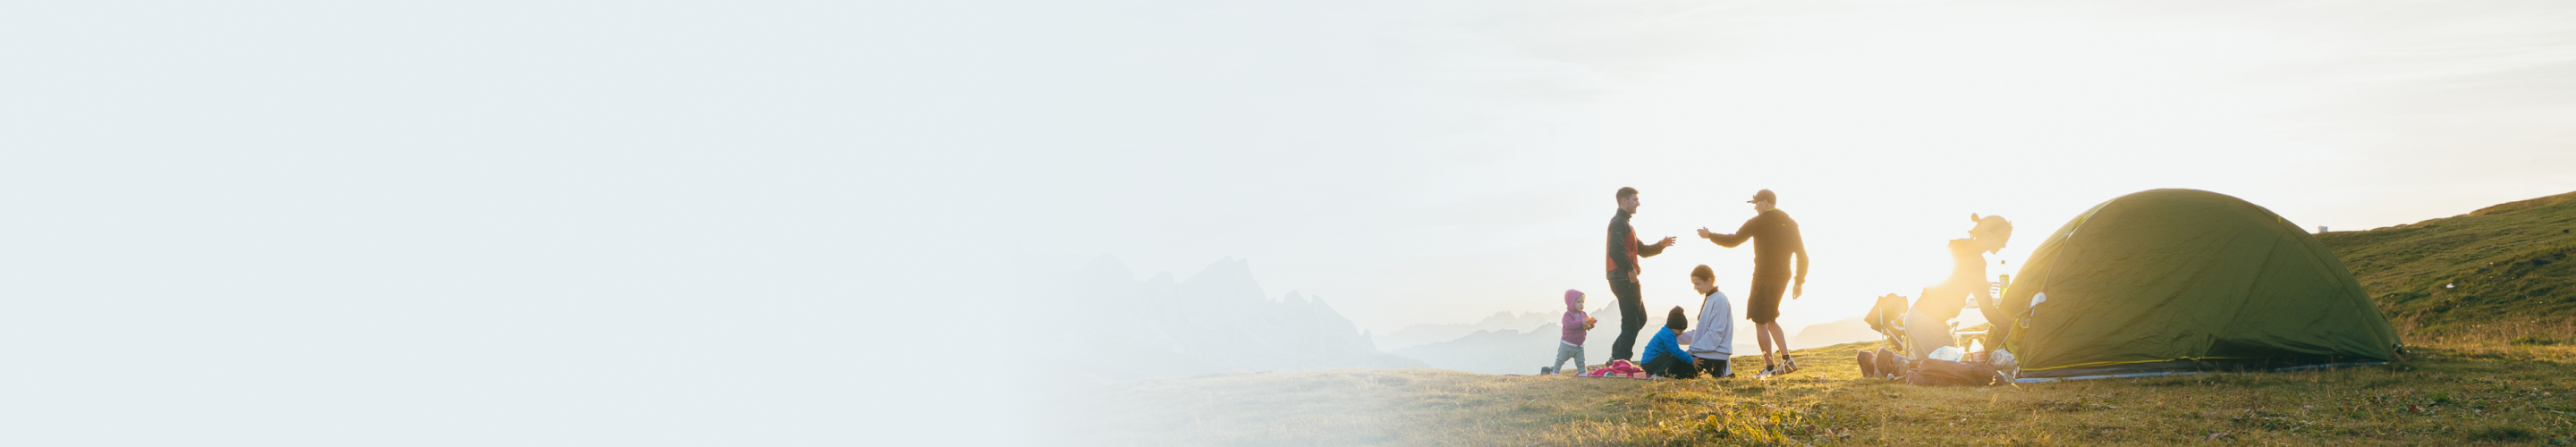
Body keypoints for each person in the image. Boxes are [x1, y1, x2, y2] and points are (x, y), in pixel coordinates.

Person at [1697, 189, 1809, 376]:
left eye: (1756, 203)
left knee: (1760, 322)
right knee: (1771, 318)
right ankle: (1787, 360)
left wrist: (1710, 235)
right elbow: (1803, 256)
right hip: (1783, 277)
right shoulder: (1790, 223)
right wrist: (1799, 281)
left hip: (1763, 277)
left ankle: (1770, 368)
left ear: (1765, 203)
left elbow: (1733, 241)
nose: (1755, 208)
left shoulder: (1758, 222)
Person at [1903, 214, 2012, 357]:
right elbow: (1987, 308)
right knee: (1953, 375)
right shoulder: (1976, 260)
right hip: (1929, 323)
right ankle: (1885, 362)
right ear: (1988, 234)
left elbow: (1953, 279)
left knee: (1929, 373)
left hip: (1914, 316)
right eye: (2003, 240)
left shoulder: (1961, 246)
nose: (2004, 246)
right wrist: (2011, 328)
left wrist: (1980, 284)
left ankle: (1887, 363)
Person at [1606, 187, 1678, 362]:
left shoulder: (1626, 225)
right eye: (1635, 200)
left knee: (1640, 319)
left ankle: (1616, 357)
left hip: (1625, 277)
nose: (1638, 203)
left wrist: (1661, 245)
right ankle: (1621, 361)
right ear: (1624, 201)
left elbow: (1642, 250)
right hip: (1624, 278)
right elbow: (1614, 250)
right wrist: (1630, 268)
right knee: (1631, 322)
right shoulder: (1618, 223)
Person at [1681, 266, 1735, 378]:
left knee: (1672, 369)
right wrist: (1675, 337)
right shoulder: (1711, 298)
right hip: (1707, 354)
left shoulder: (1719, 300)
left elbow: (1715, 334)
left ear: (1709, 281)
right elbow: (1702, 332)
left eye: (1698, 284)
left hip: (1714, 357)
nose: (1695, 288)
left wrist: (1690, 352)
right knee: (1670, 364)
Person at [1545, 289, 1597, 375]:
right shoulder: (1568, 314)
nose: (1581, 304)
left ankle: (1583, 375)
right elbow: (1569, 325)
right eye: (1578, 302)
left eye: (1582, 302)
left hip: (1579, 345)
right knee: (1560, 360)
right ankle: (1555, 374)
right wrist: (1581, 322)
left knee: (1581, 362)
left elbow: (1585, 324)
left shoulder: (1583, 314)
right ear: (1572, 303)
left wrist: (1590, 324)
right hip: (1567, 344)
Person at [1640, 307, 1699, 379]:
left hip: (1653, 361)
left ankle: (1679, 375)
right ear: (1673, 327)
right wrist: (1691, 360)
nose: (1681, 334)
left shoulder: (1668, 332)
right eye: (1680, 331)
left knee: (1675, 360)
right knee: (1673, 358)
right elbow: (1676, 351)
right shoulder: (1668, 335)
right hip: (1650, 361)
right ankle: (1659, 374)